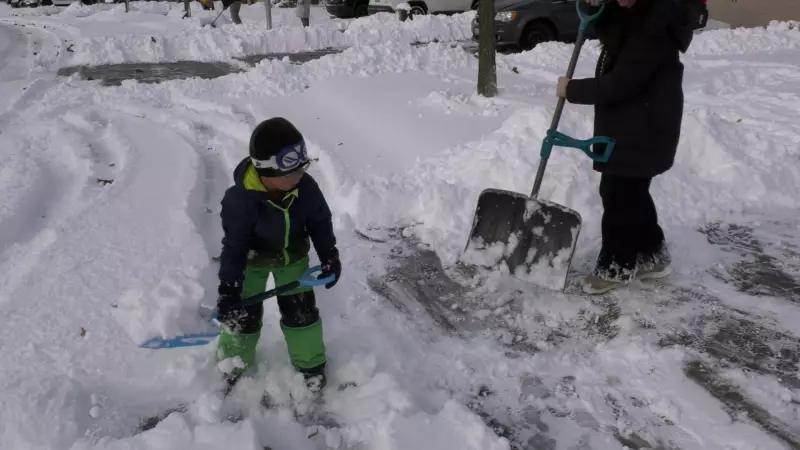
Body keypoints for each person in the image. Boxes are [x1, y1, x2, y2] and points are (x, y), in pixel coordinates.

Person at [556, 0, 695, 294]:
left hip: (645, 126)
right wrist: (592, 3)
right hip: (630, 122)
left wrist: (572, 90)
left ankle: (616, 267)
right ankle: (653, 253)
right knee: (630, 191)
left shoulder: (656, 25)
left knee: (620, 194)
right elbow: (600, 23)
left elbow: (623, 82)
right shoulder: (632, 12)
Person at [215, 117, 341, 393]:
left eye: (301, 169)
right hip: (252, 262)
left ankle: (310, 365)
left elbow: (320, 221)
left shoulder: (304, 188)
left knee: (302, 313)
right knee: (242, 316)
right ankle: (232, 363)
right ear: (265, 172)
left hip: (292, 258)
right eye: (289, 174)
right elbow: (234, 247)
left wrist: (329, 254)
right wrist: (229, 288)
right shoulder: (241, 201)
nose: (298, 177)